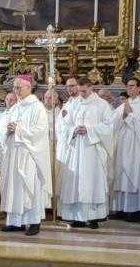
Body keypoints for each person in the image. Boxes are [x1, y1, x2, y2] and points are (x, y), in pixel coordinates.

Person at [57, 77, 113, 229]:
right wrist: (73, 130)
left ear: (91, 88)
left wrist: (89, 130)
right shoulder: (73, 104)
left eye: (83, 91)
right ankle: (77, 217)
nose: (80, 94)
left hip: (92, 150)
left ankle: (93, 217)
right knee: (75, 182)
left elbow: (109, 126)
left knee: (92, 181)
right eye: (79, 91)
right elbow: (63, 125)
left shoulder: (102, 105)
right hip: (76, 149)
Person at [0, 75, 52, 235]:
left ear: (29, 88)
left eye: (19, 87)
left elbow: (41, 132)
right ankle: (16, 222)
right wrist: (7, 131)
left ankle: (33, 221)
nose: (16, 91)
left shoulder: (38, 108)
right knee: (14, 188)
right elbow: (6, 130)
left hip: (29, 154)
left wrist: (19, 130)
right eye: (14, 87)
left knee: (30, 187)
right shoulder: (15, 107)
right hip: (14, 153)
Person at [109, 78, 140, 222]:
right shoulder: (123, 105)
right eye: (127, 86)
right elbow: (112, 123)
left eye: (132, 86)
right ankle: (120, 208)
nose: (129, 88)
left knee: (134, 173)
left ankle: (136, 210)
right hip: (122, 142)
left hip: (136, 144)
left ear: (139, 88)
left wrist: (131, 116)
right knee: (120, 173)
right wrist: (123, 116)